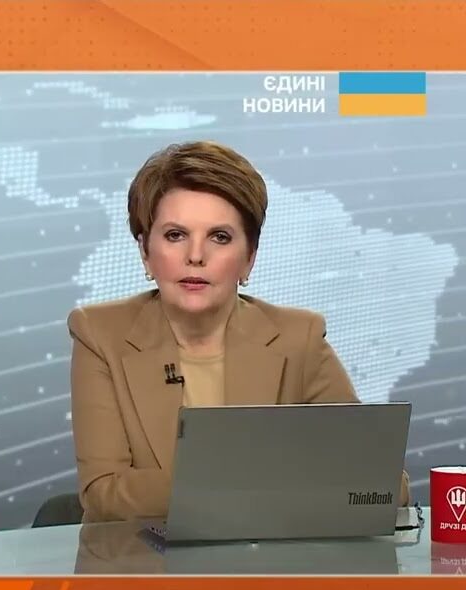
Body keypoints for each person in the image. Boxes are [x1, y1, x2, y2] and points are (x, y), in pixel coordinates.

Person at [68, 140, 410, 522]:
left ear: (249, 258)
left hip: (268, 557)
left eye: (220, 237)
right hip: (143, 557)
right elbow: (105, 493)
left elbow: (384, 484)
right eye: (176, 235)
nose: (195, 256)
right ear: (145, 251)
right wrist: (265, 480)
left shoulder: (298, 339)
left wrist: (223, 484)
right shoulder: (101, 335)